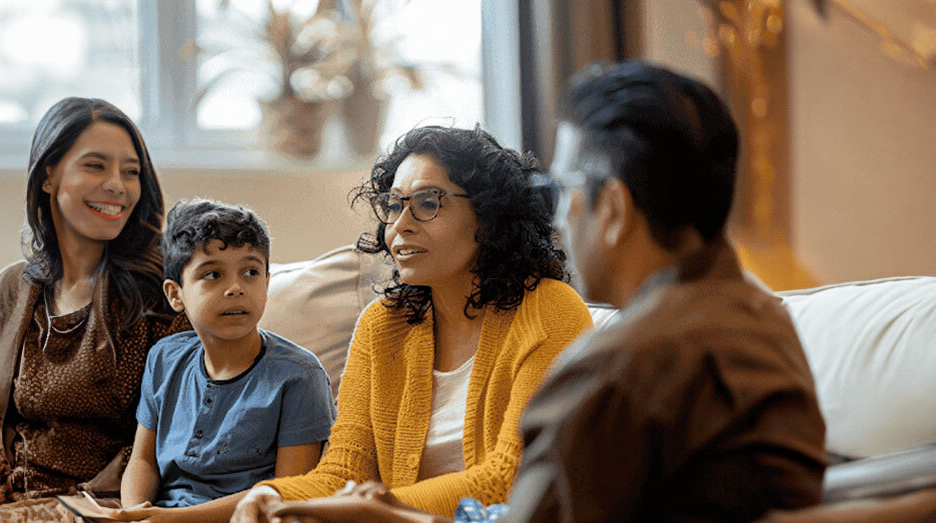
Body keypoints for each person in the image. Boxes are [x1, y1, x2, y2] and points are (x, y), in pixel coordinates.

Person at [253, 61, 828, 523]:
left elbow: (518, 496)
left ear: (612, 209)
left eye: (567, 187)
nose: (561, 212)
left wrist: (381, 510)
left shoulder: (621, 367)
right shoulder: (754, 315)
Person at [230, 125, 593, 521]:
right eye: (393, 205)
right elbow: (343, 471)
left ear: (487, 218)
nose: (400, 224)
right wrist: (270, 495)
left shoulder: (551, 311)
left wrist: (380, 509)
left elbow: (508, 478)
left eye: (427, 203)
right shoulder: (381, 326)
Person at [0, 98, 191, 521]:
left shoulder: (160, 292)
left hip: (101, 504)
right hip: (4, 497)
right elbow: (2, 426)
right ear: (48, 176)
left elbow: (173, 434)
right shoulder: (14, 288)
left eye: (131, 172)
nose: (118, 185)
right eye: (96, 166)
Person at [107, 199, 335, 522]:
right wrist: (135, 513)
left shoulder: (300, 376)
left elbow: (287, 492)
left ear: (267, 283)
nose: (236, 288)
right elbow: (143, 460)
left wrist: (170, 521)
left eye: (251, 272)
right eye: (213, 274)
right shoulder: (165, 358)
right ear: (176, 294)